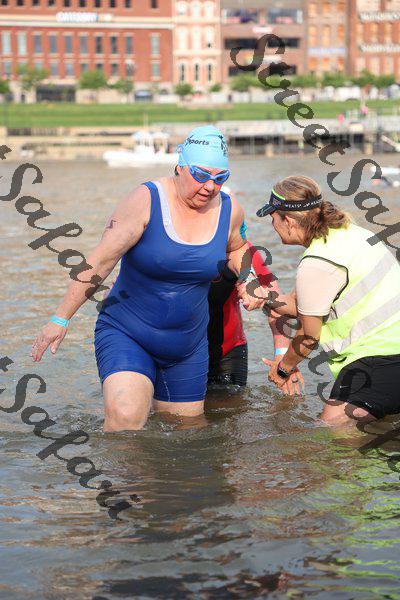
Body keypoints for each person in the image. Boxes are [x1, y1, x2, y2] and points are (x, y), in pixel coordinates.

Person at [31, 125, 267, 431]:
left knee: (187, 436)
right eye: (201, 175)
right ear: (180, 167)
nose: (210, 186)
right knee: (126, 418)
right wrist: (60, 318)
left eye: (220, 178)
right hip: (129, 333)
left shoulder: (229, 209)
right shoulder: (146, 200)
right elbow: (100, 261)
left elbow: (237, 249)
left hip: (187, 346)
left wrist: (249, 279)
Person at [259, 175, 400, 425]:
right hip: (389, 352)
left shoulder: (317, 262)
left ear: (288, 221)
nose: (272, 225)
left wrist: (283, 368)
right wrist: (265, 298)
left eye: (273, 218)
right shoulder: (350, 233)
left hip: (381, 357)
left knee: (331, 433)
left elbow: (308, 337)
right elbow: (303, 306)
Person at [207, 238, 299, 390]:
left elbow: (277, 305)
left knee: (231, 405)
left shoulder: (240, 248)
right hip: (175, 353)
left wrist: (282, 357)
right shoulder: (167, 247)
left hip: (227, 354)